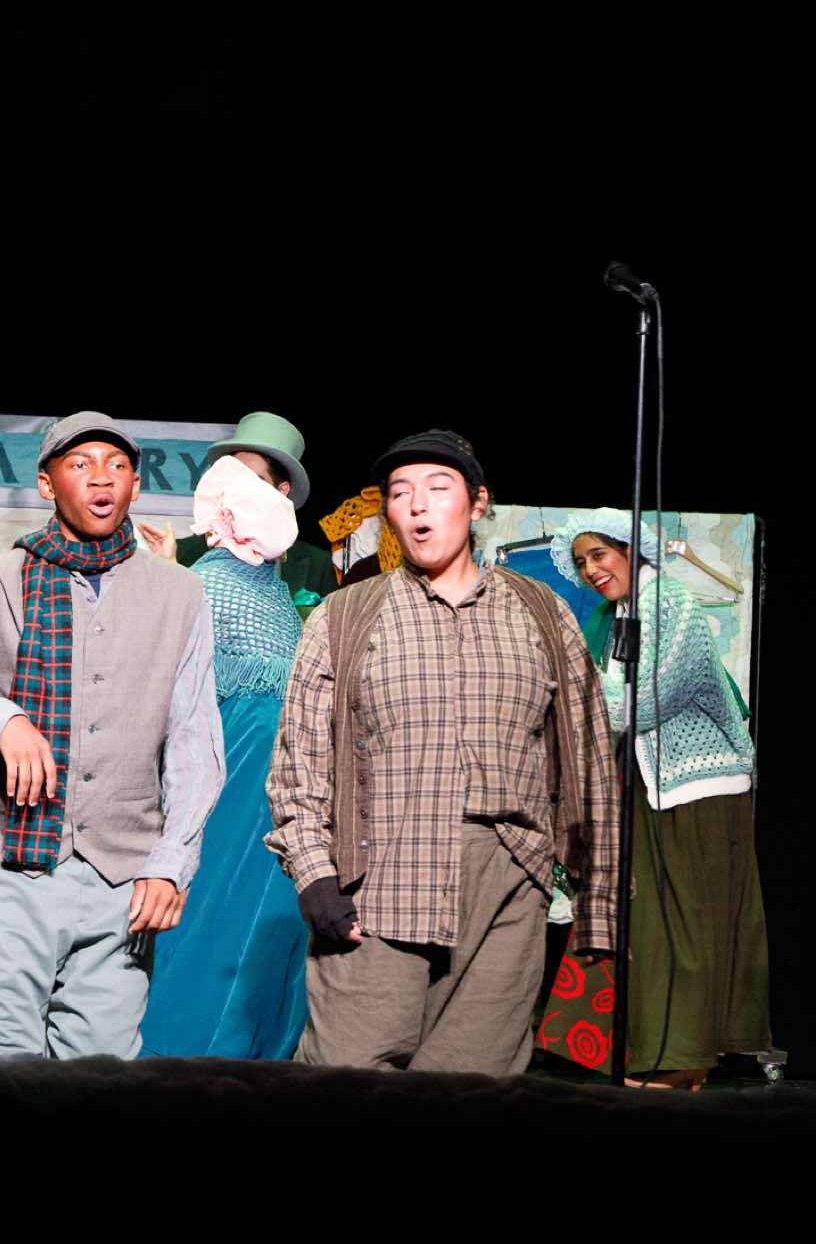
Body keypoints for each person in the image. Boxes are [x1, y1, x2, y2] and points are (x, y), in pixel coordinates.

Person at [266, 429, 620, 1075]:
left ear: (478, 503)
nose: (418, 505)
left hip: (507, 882)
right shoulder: (346, 616)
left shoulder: (540, 612)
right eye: (400, 493)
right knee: (346, 1075)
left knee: (474, 1085)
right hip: (380, 881)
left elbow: (589, 754)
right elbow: (300, 760)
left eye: (438, 487)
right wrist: (314, 873)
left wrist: (598, 900)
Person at [0, 412, 224, 1059]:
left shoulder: (180, 593)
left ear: (135, 484)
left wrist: (171, 862)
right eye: (80, 464)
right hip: (15, 864)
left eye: (116, 466)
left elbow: (195, 743)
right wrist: (0, 717)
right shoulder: (2, 579)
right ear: (47, 482)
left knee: (99, 1068)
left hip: (125, 875)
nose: (100, 478)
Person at [538, 509, 767, 1088]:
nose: (591, 570)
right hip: (655, 784)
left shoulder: (668, 600)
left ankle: (686, 1058)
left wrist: (569, 700)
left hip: (697, 783)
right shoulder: (626, 612)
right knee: (653, 922)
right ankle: (664, 1051)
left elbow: (637, 705)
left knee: (686, 921)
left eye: (600, 555)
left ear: (629, 549)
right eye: (582, 562)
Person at [140, 453, 310, 1058]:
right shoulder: (204, 581)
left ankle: (259, 1053)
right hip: (233, 761)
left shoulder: (277, 593)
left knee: (274, 910)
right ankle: (190, 1051)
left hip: (287, 770)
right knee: (219, 903)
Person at [138, 410, 338, 611]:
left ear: (282, 491)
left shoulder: (318, 565)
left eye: (255, 480)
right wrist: (169, 572)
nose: (241, 488)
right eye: (234, 475)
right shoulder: (183, 555)